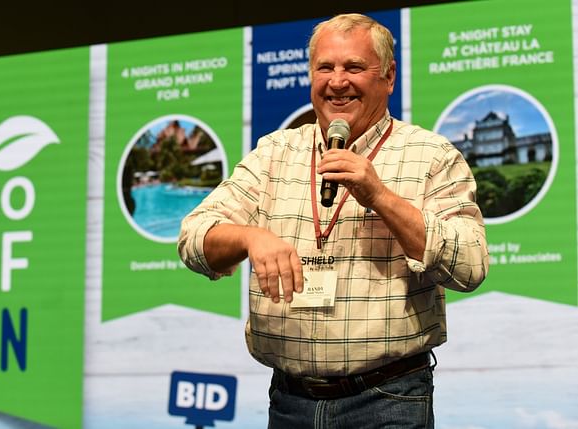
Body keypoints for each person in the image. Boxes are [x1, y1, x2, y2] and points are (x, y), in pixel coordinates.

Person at [178, 13, 488, 428]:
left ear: (389, 76)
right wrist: (251, 237)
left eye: (354, 67)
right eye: (325, 67)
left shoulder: (432, 155)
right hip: (289, 400)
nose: (337, 81)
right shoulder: (275, 152)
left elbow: (470, 266)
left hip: (388, 399)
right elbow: (194, 239)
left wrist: (379, 196)